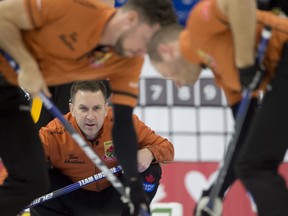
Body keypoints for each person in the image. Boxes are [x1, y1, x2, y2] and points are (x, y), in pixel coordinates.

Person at [0, 0, 177, 215]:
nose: (144, 51)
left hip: (29, 86)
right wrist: (26, 63)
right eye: (145, 40)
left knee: (31, 183)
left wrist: (133, 185)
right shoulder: (75, 8)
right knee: (29, 177)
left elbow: (122, 124)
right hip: (9, 71)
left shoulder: (129, 60)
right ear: (131, 20)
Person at [147, 0, 288, 215]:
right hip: (280, 78)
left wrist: (246, 64)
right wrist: (215, 192)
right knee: (252, 163)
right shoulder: (223, 77)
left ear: (166, 51)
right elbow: (243, 138)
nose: (176, 84)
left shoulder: (197, 25)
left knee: (254, 165)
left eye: (168, 75)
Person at [1, 80, 174, 215]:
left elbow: (167, 148)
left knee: (151, 169)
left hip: (116, 199)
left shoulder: (124, 123)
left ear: (106, 109)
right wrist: (8, 201)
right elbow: (21, 168)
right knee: (39, 179)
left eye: (97, 108)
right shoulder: (53, 133)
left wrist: (150, 152)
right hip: (73, 201)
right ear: (72, 108)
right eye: (83, 108)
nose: (90, 116)